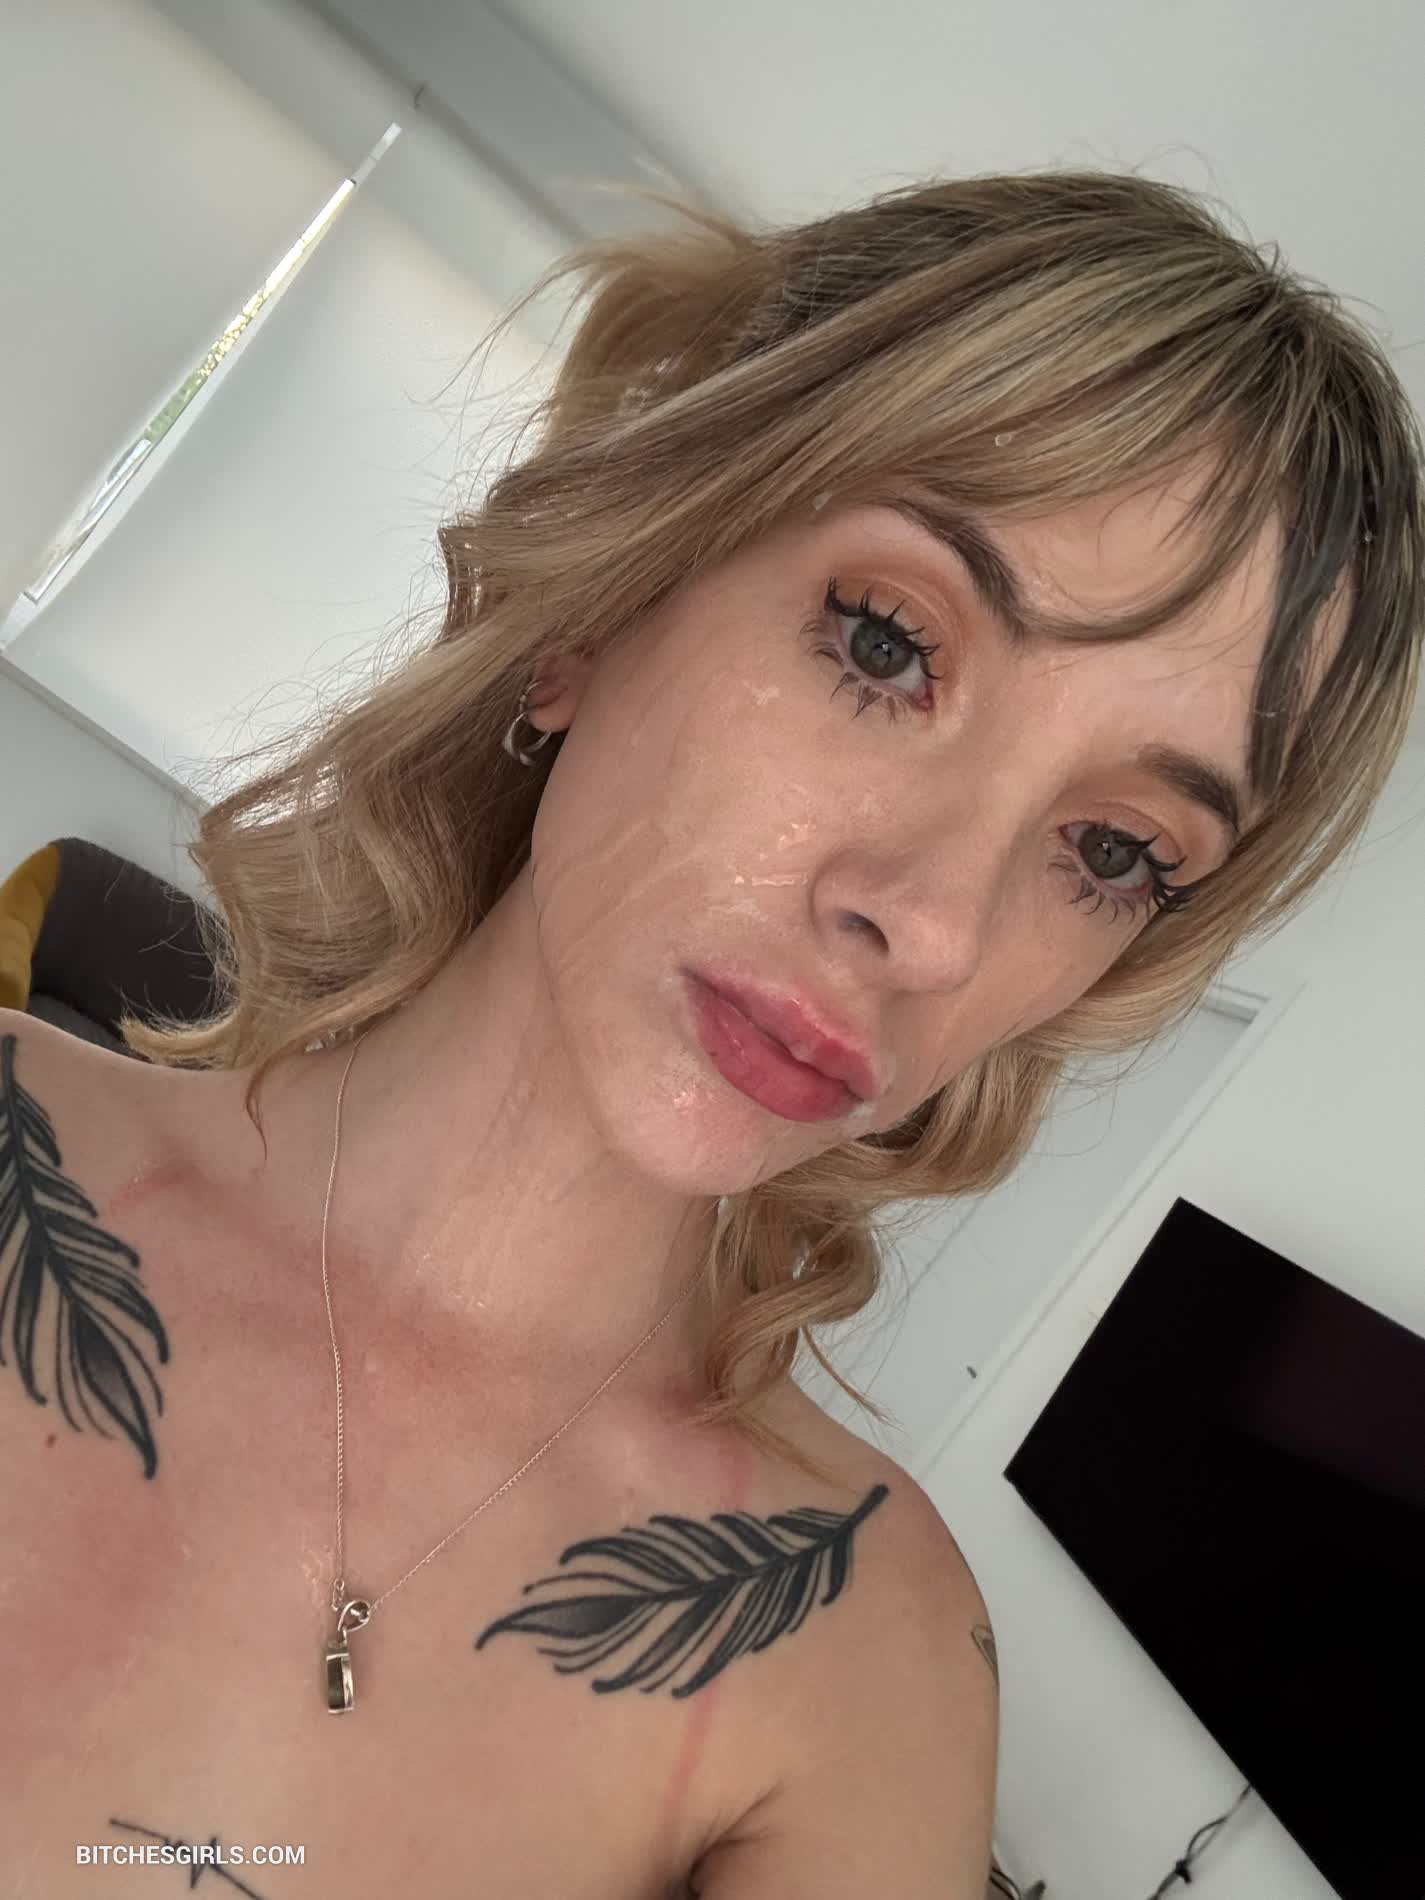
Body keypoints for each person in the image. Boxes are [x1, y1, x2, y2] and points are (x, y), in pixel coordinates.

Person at [2, 166, 1421, 1900]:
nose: (934, 924)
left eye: (1113, 851)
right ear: (604, 601)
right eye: (887, 644)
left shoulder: (862, 1674)